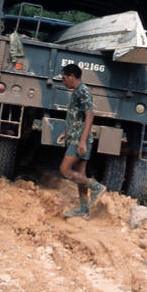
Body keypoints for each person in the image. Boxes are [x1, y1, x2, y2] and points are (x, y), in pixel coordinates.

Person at [57, 63, 106, 217]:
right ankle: (84, 209)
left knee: (64, 169)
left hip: (79, 139)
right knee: (80, 175)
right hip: (76, 137)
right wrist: (66, 132)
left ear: (72, 76)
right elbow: (76, 116)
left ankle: (97, 187)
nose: (63, 82)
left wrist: (82, 141)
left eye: (64, 79)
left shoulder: (83, 91)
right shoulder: (78, 91)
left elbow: (89, 115)